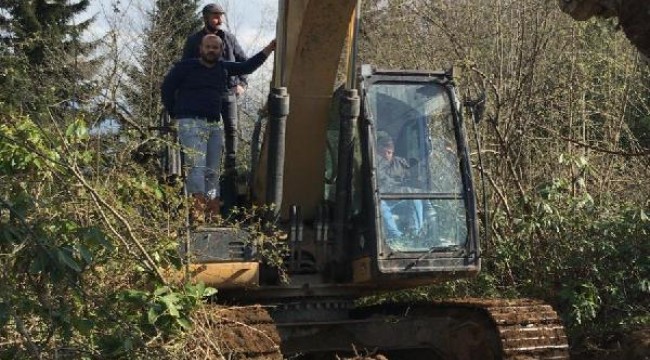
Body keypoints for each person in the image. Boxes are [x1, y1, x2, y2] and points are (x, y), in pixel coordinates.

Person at [161, 34, 275, 222]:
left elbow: (246, 67)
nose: (211, 50)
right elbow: (167, 88)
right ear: (201, 49)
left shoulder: (223, 68)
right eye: (208, 46)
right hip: (190, 121)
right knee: (196, 167)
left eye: (215, 47)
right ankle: (196, 214)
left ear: (221, 51)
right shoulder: (185, 67)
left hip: (214, 124)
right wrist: (176, 114)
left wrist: (269, 49)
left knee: (212, 170)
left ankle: (212, 213)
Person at [182, 3, 248, 214]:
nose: (219, 20)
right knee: (201, 133)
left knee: (231, 128)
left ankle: (231, 162)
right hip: (203, 94)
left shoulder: (229, 39)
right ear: (206, 17)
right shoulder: (194, 41)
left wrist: (241, 84)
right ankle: (201, 203)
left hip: (227, 92)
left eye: (220, 16)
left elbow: (244, 61)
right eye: (215, 16)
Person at [376, 133, 424, 239]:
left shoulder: (400, 162)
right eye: (387, 151)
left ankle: (416, 235)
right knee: (380, 205)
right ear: (378, 149)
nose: (389, 154)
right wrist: (404, 190)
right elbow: (382, 185)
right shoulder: (374, 165)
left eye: (391, 152)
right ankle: (398, 238)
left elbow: (412, 176)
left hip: (400, 198)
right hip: (384, 199)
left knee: (416, 199)